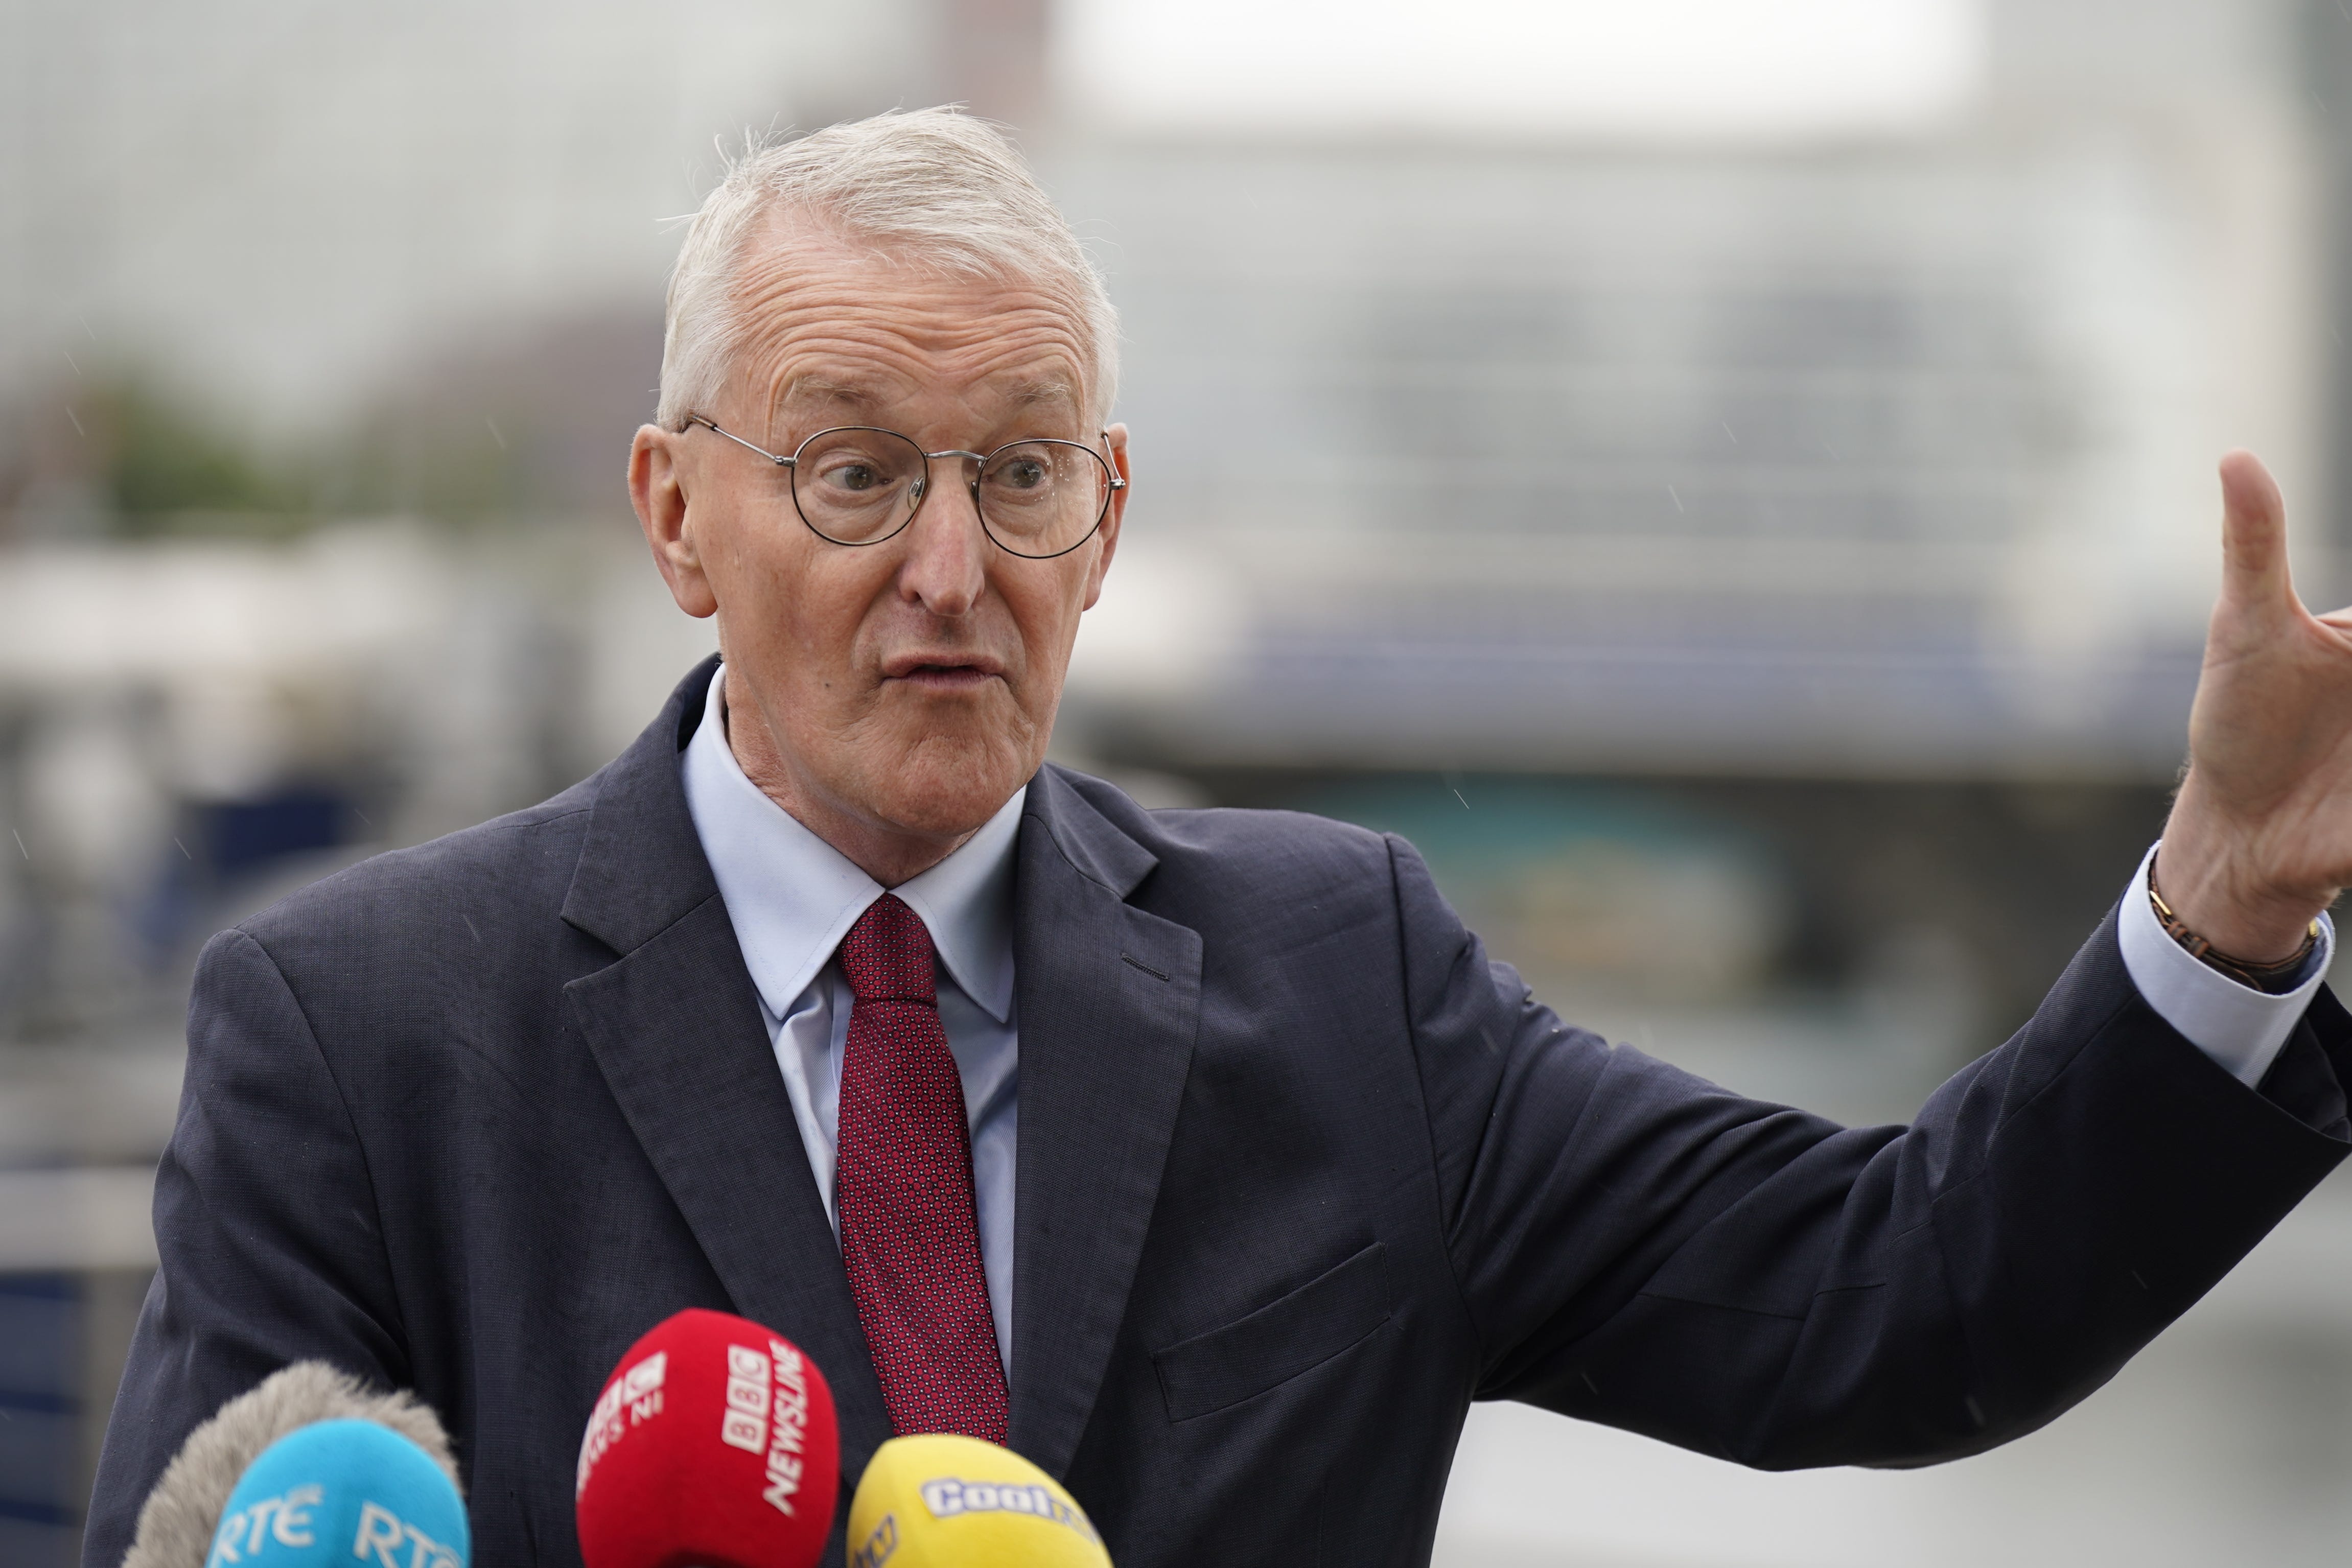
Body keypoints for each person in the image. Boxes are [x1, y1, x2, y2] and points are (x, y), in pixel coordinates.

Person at [84, 107, 2352, 1568]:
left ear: (1110, 514)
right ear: (679, 516)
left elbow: (1890, 1304)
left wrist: (2225, 908)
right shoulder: (360, 1033)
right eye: (857, 472)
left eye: (1023, 471)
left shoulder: (1339, 972)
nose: (950, 570)